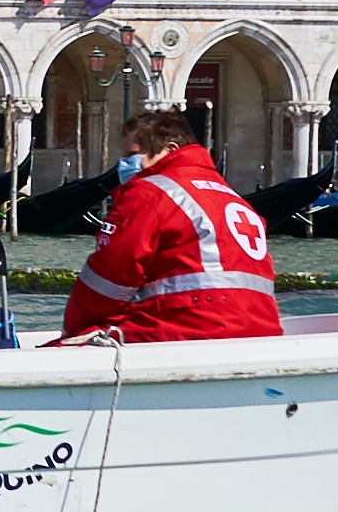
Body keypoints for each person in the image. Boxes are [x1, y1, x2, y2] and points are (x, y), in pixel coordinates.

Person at [60, 102, 283, 340]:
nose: (124, 164)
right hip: (262, 327)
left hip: (195, 325)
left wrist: (72, 329)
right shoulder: (230, 196)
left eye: (133, 155)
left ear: (170, 149)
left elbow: (109, 276)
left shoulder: (148, 194)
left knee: (64, 349)